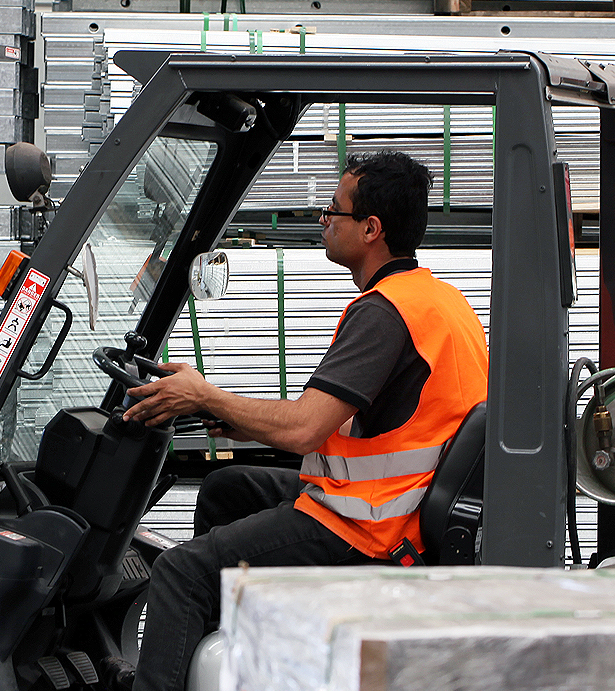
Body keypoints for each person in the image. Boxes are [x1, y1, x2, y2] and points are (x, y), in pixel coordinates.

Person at [119, 151, 489, 691]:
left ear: (370, 229)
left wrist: (206, 394)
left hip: (373, 529)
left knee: (181, 573)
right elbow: (367, 424)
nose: (323, 220)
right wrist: (227, 414)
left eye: (333, 211)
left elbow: (302, 429)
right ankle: (232, 666)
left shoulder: (383, 314)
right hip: (400, 504)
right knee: (227, 489)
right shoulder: (437, 299)